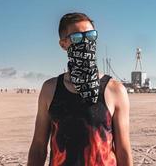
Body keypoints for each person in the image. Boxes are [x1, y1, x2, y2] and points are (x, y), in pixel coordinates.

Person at [27, 12, 133, 166]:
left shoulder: (115, 90)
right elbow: (38, 145)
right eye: (77, 38)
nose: (86, 42)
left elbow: (123, 149)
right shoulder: (50, 89)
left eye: (91, 36)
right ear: (63, 44)